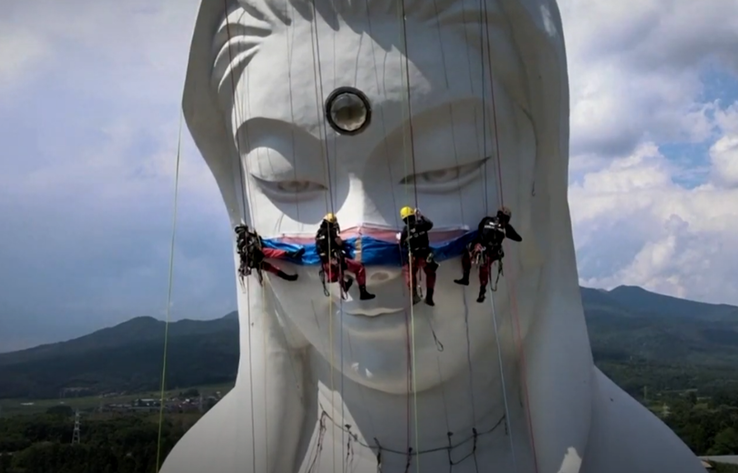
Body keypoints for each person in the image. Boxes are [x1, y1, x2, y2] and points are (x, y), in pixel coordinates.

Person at [454, 206, 522, 302]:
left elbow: (480, 229)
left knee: (474, 261)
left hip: (486, 249)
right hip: (487, 250)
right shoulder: (504, 227)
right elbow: (518, 238)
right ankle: (480, 290)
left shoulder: (489, 220)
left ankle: (470, 281)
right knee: (482, 266)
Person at [315, 213, 375, 300]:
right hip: (335, 260)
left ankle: (344, 285)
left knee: (339, 272)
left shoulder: (318, 233)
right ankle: (363, 292)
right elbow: (339, 242)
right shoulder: (330, 231)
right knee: (360, 268)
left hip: (325, 263)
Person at [235, 224, 304, 284]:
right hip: (257, 254)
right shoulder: (243, 236)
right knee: (272, 253)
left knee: (271, 268)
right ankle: (292, 255)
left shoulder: (241, 243)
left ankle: (287, 277)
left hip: (256, 262)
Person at [398, 206, 437, 306]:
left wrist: (400, 238)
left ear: (403, 219)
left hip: (414, 257)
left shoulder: (405, 230)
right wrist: (421, 215)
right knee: (431, 273)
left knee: (409, 273)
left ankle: (414, 295)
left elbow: (402, 244)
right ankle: (429, 297)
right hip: (425, 255)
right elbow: (430, 224)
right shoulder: (422, 224)